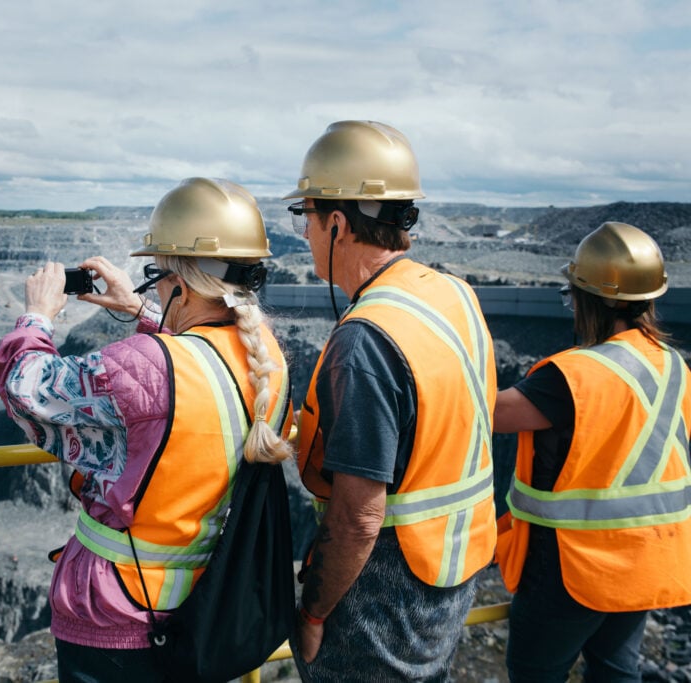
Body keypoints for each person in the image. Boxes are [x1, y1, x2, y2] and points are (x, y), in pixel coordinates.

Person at [0, 177, 293, 682]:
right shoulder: (266, 355)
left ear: (184, 280)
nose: (154, 285)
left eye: (158, 274)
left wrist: (36, 317)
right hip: (204, 605)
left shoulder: (150, 363)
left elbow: (28, 390)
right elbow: (193, 377)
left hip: (122, 611)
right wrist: (141, 311)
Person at [287, 120, 498, 681]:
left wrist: (312, 612)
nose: (303, 233)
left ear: (336, 222)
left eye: (302, 216)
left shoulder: (365, 340)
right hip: (451, 576)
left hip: (381, 596)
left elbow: (358, 516)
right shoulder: (452, 293)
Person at [494, 221, 691, 682]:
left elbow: (490, 414)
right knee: (616, 672)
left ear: (590, 300)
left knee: (535, 672)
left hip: (574, 569)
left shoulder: (573, 375)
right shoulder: (673, 365)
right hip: (647, 562)